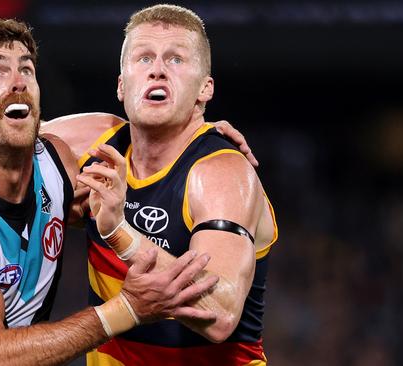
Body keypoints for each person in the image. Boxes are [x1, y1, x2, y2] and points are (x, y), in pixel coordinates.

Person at [0, 18, 220, 366]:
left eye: (26, 69)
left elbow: (142, 135)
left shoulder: (56, 161)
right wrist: (127, 308)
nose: (17, 81)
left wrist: (196, 132)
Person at [42, 4, 278, 365]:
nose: (157, 71)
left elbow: (220, 315)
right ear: (122, 85)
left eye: (176, 60)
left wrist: (118, 232)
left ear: (205, 89)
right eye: (144, 58)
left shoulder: (221, 173)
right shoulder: (92, 141)